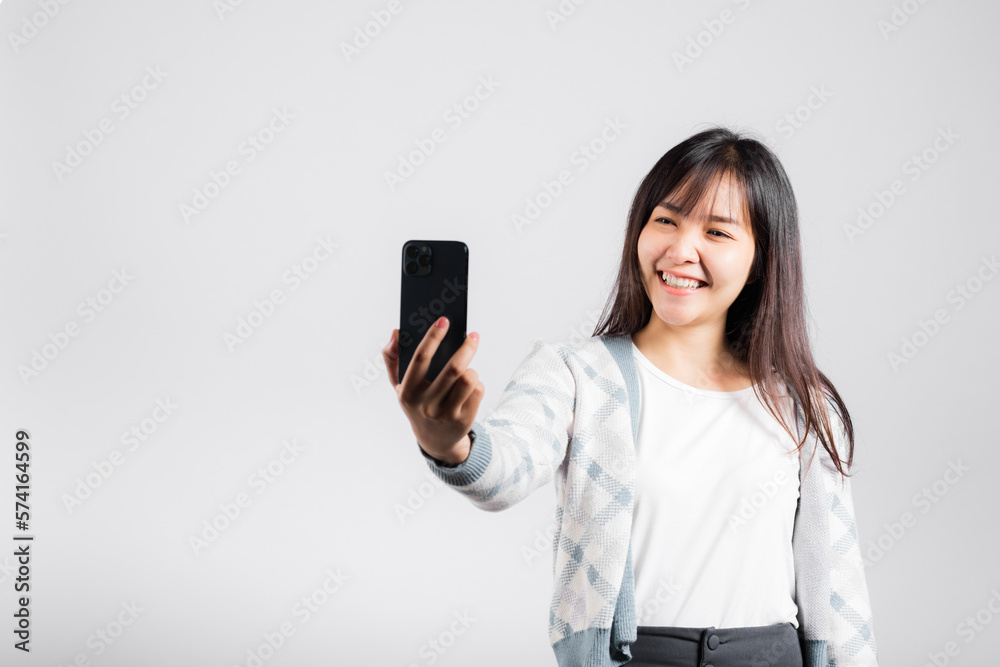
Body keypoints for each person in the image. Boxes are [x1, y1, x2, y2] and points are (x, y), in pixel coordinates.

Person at [383, 126, 878, 667]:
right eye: (665, 220)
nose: (681, 249)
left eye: (717, 232)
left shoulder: (805, 407)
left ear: (762, 257)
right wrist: (448, 442)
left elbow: (838, 595)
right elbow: (503, 471)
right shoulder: (576, 374)